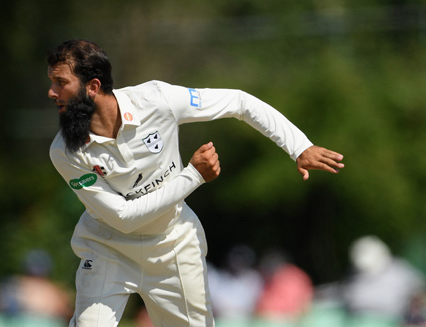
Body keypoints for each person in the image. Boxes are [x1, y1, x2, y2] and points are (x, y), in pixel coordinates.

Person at [46, 39, 345, 327]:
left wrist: (299, 147)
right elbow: (123, 218)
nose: (51, 92)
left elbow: (239, 102)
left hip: (174, 244)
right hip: (108, 248)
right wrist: (194, 176)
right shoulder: (64, 151)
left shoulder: (156, 100)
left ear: (93, 87)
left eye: (61, 83)